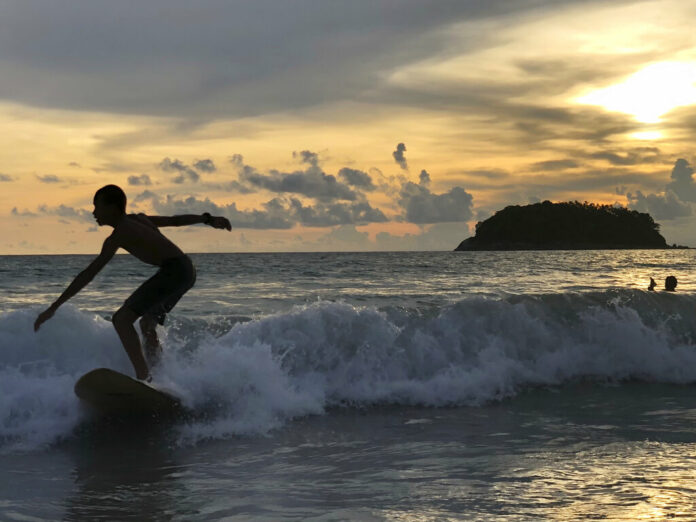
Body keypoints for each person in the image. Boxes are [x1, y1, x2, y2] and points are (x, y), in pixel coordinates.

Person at [34, 185, 231, 381]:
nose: (93, 212)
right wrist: (208, 219)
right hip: (187, 270)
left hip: (174, 270)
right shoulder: (138, 219)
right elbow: (175, 221)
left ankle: (144, 378)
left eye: (97, 207)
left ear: (112, 208)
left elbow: (89, 273)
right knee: (147, 324)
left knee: (121, 319)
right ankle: (160, 374)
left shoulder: (120, 233)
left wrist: (54, 306)